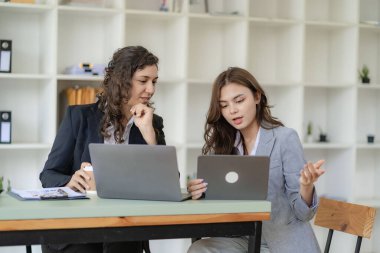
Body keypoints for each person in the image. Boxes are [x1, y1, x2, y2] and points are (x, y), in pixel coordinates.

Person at [39, 45, 165, 253]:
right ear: (121, 80)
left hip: (124, 232)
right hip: (78, 232)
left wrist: (149, 135)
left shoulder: (152, 123)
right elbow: (48, 175)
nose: (151, 89)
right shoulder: (78, 117)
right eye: (143, 81)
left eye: (154, 82)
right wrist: (69, 181)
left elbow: (166, 182)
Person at [187, 67, 325, 253]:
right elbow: (218, 204)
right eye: (224, 105)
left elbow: (304, 213)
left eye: (239, 100)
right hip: (242, 238)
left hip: (281, 242)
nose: (232, 110)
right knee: (199, 249)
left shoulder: (285, 139)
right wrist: (200, 193)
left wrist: (306, 187)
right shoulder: (224, 147)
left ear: (257, 97)